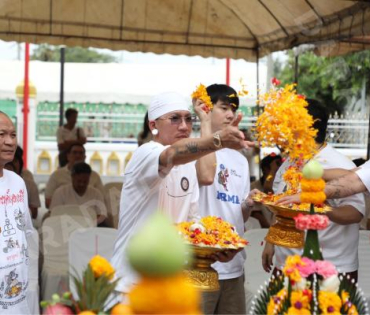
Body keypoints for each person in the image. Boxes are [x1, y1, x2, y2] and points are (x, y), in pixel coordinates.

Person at [110, 91, 252, 297]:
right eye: (174, 119)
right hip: (132, 285)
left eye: (188, 119)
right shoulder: (145, 153)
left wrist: (213, 249)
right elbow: (172, 154)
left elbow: (191, 225)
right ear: (153, 126)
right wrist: (217, 140)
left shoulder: (188, 166)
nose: (184, 126)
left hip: (172, 286)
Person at [257, 100, 365, 281]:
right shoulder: (288, 164)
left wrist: (320, 205)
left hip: (329, 268)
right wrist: (271, 240)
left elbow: (355, 214)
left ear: (312, 125)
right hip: (286, 265)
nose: (285, 127)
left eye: (292, 121)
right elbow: (281, 207)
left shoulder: (339, 164)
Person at [193, 84, 255, 315]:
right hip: (201, 265)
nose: (231, 114)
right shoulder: (193, 148)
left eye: (234, 108)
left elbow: (240, 215)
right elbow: (206, 176)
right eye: (224, 107)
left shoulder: (239, 159)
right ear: (207, 109)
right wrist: (206, 126)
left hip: (234, 267)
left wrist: (248, 204)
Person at [0, 111, 33, 314]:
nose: (10, 141)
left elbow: (26, 231)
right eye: (1, 134)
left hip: (17, 297)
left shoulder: (17, 182)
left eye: (13, 135)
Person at [45, 143, 104, 208]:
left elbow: (101, 199)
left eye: (81, 153)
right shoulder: (56, 175)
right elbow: (48, 201)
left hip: (90, 214)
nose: (78, 156)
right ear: (68, 156)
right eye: (74, 153)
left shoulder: (94, 176)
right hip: (63, 213)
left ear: (85, 157)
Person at [4, 146, 40, 219]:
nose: (11, 164)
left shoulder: (29, 184)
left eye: (14, 161)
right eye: (7, 162)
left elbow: (34, 214)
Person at [249, 154, 282, 228]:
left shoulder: (281, 186)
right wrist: (268, 229)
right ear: (264, 169)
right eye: (276, 169)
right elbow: (256, 213)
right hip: (260, 229)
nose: (277, 173)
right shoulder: (254, 187)